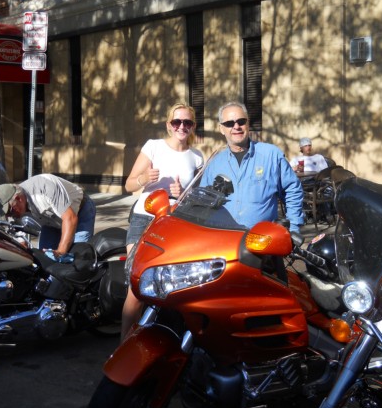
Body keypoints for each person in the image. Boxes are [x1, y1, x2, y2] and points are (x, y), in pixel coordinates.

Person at [120, 102, 204, 341]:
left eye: (187, 122)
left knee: (172, 284)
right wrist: (144, 178)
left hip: (174, 224)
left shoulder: (197, 157)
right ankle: (122, 345)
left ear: (193, 126)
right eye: (177, 122)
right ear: (169, 125)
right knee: (137, 287)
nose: (181, 127)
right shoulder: (154, 146)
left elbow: (197, 198)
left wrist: (183, 193)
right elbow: (129, 185)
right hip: (145, 219)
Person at [200, 101, 304, 233]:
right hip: (224, 240)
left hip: (262, 240)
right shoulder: (214, 164)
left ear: (248, 124)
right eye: (229, 123)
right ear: (221, 128)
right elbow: (204, 201)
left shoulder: (271, 155)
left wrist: (293, 227)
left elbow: (292, 189)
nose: (236, 127)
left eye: (241, 121)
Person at [0, 174, 96, 258]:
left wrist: (61, 252)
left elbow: (70, 219)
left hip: (79, 212)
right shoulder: (13, 206)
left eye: (10, 211)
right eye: (6, 213)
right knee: (44, 260)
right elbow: (20, 238)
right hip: (51, 223)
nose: (10, 215)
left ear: (18, 198)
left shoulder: (45, 189)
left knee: (79, 258)